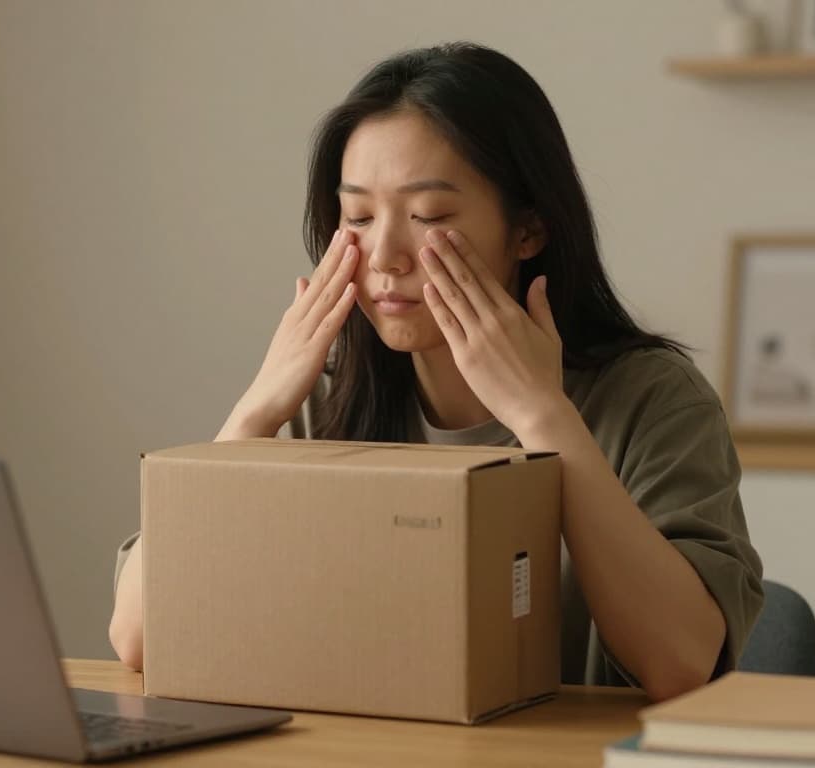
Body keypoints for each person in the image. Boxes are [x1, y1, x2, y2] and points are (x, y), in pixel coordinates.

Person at [110, 42, 762, 702]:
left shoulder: (654, 398)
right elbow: (135, 638)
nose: (385, 256)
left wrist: (543, 417)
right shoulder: (327, 397)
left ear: (529, 229)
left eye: (428, 216)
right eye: (359, 217)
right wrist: (253, 416)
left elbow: (681, 663)